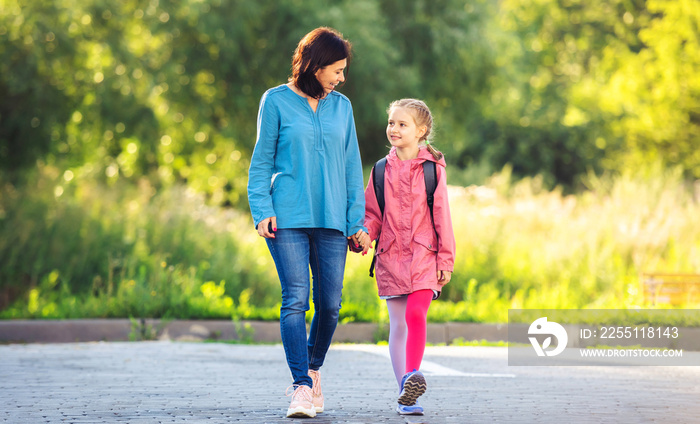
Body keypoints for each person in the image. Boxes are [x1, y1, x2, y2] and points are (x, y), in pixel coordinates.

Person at [247, 27, 368, 418]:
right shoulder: (276, 101)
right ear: (315, 66)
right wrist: (261, 208)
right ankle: (300, 387)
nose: (341, 77)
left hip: (333, 218)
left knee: (330, 305)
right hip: (288, 216)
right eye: (336, 69)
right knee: (295, 298)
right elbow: (261, 161)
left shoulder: (342, 107)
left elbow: (352, 169)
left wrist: (355, 221)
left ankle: (313, 371)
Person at [361, 99, 455, 415]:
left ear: (421, 131)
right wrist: (364, 235)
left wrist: (446, 259)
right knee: (397, 326)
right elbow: (372, 215)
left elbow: (442, 216)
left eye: (403, 124)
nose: (394, 129)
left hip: (425, 257)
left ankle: (412, 375)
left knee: (416, 314)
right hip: (390, 256)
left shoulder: (432, 170)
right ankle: (407, 393)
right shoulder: (379, 170)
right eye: (392, 123)